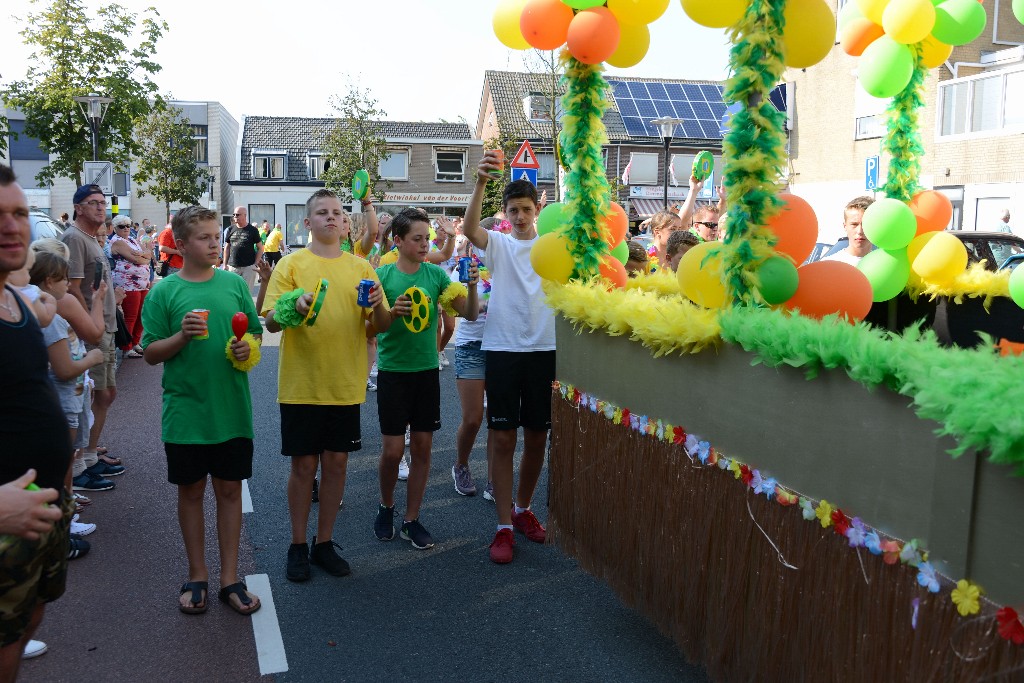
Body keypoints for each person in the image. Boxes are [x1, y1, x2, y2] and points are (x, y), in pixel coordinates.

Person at [262, 189, 392, 582]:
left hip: (344, 383)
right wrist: (294, 305)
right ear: (308, 223)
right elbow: (269, 319)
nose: (331, 218)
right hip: (301, 383)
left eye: (337, 212)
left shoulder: (362, 268)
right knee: (303, 467)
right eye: (322, 213)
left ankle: (324, 543)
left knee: (336, 464)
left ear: (346, 222)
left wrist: (377, 307)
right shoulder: (291, 265)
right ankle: (297, 545)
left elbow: (380, 327)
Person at [142, 205, 263, 616]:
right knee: (191, 492)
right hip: (186, 413)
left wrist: (249, 350)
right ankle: (198, 574)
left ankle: (230, 577)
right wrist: (181, 336)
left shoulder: (233, 285)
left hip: (231, 410)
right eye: (205, 238)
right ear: (180, 244)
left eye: (217, 236)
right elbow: (151, 354)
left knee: (230, 492)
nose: (215, 243)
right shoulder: (164, 292)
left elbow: (257, 337)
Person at [463, 152, 555, 565]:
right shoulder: (498, 243)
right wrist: (481, 181)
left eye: (526, 209)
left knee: (538, 437)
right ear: (504, 213)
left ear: (538, 210)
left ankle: (522, 509)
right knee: (503, 438)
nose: (520, 216)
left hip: (544, 351)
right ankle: (502, 525)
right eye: (513, 210)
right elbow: (468, 228)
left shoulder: (553, 247)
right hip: (502, 349)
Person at [0, 164, 72, 682]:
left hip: (43, 506)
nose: (11, 226)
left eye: (19, 213)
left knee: (30, 621)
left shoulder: (15, 301)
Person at [371, 207, 478, 550]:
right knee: (391, 451)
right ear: (398, 241)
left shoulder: (436, 277)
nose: (424, 244)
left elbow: (470, 313)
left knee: (422, 449)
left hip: (426, 373)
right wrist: (389, 313)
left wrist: (472, 285)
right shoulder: (383, 276)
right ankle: (386, 506)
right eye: (417, 239)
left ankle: (411, 519)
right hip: (392, 373)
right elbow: (369, 330)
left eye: (427, 239)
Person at [61, 185, 121, 481]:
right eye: (93, 203)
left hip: (105, 326)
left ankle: (89, 453)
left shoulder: (91, 238)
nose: (101, 208)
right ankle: (80, 464)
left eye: (103, 203)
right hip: (91, 331)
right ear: (78, 208)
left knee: (106, 394)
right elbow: (72, 289)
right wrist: (87, 328)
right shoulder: (73, 238)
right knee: (90, 396)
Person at [450, 248, 492, 497]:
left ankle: (494, 478)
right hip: (470, 347)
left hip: (502, 347)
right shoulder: (462, 270)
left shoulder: (507, 267)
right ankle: (461, 465)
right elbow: (460, 308)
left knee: (498, 421)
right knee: (473, 418)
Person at [109, 215, 151, 357]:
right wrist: (142, 256)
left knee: (141, 314)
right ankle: (127, 347)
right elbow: (136, 259)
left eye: (128, 225)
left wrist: (143, 255)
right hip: (127, 283)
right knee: (131, 315)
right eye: (122, 226)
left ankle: (135, 342)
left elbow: (148, 255)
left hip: (142, 282)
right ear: (115, 228)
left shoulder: (132, 239)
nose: (126, 228)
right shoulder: (117, 241)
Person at [823, 196, 875, 266]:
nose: (859, 231)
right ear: (845, 226)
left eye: (865, 224)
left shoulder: (885, 265)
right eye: (854, 224)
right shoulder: (829, 265)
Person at [223, 206, 263, 290]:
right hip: (233, 266)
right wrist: (225, 264)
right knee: (233, 291)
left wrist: (255, 263)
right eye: (234, 215)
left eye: (238, 215)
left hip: (248, 267)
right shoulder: (230, 229)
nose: (235, 217)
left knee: (246, 292)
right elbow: (227, 247)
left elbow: (260, 248)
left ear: (245, 216)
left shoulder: (252, 230)